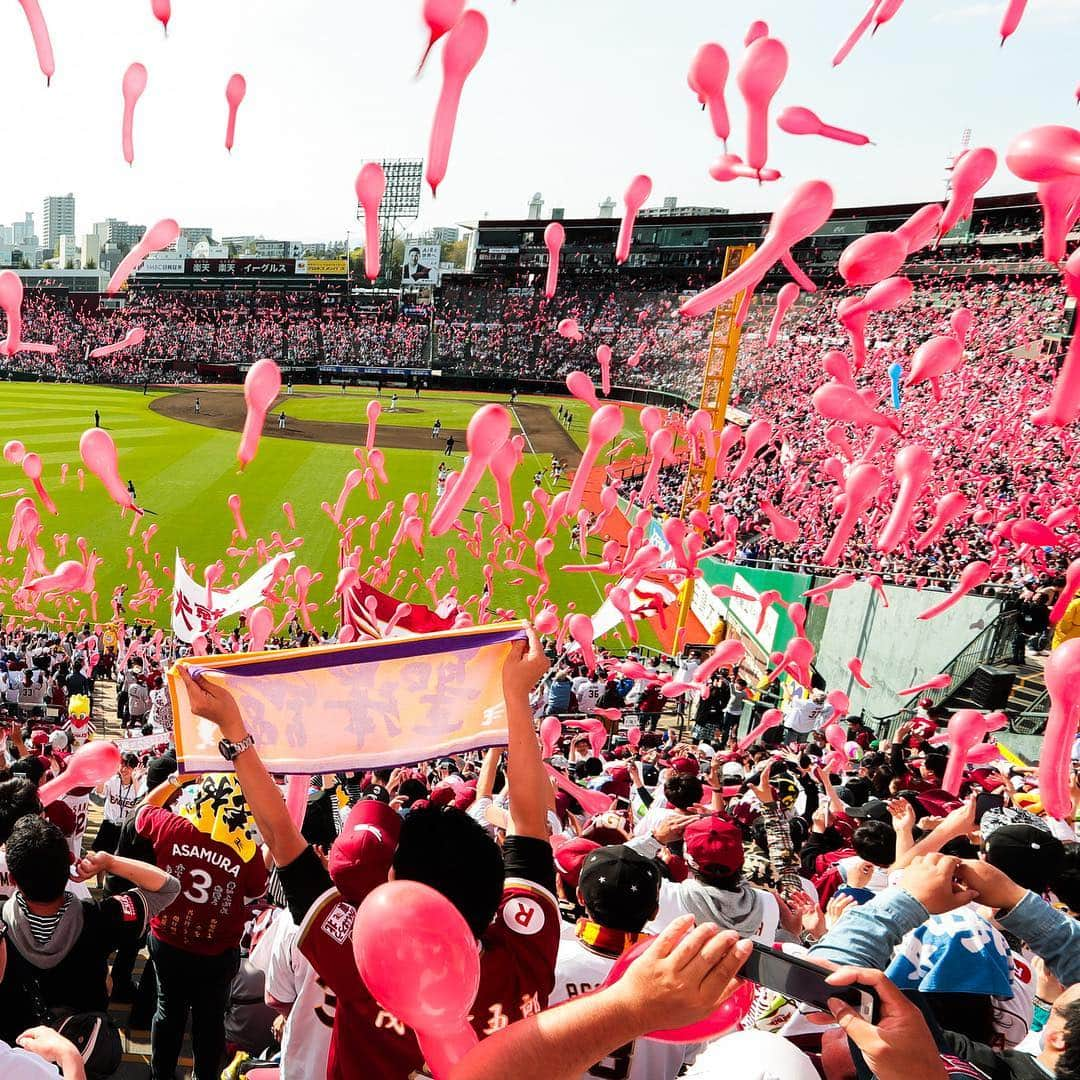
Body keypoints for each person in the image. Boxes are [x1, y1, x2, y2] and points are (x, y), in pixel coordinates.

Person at [174, 629, 561, 1080]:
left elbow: (282, 839)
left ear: (399, 885)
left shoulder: (364, 960)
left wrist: (233, 729)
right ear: (495, 891)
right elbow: (532, 826)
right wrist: (517, 694)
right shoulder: (526, 949)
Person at [114, 776, 269, 1080]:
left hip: (168, 940)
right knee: (209, 1021)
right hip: (217, 950)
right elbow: (257, 887)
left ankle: (160, 1075)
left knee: (168, 1011)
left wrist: (176, 780)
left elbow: (142, 809)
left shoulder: (171, 826)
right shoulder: (245, 849)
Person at [0, 816, 180, 1049]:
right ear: (69, 869)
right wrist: (110, 862)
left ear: (13, 879)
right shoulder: (101, 917)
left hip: (17, 1053)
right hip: (83, 1048)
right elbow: (168, 887)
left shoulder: (2, 926)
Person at [550, 844, 701, 1079]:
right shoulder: (682, 980)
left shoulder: (551, 965)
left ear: (580, 896)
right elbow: (692, 1056)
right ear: (655, 911)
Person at [94, 753, 146, 857]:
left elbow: (140, 802)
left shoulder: (140, 783)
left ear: (134, 769)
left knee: (121, 858)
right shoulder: (112, 781)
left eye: (128, 767)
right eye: (122, 766)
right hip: (109, 824)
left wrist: (135, 779)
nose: (124, 770)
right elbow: (100, 792)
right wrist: (101, 776)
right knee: (101, 856)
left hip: (126, 828)